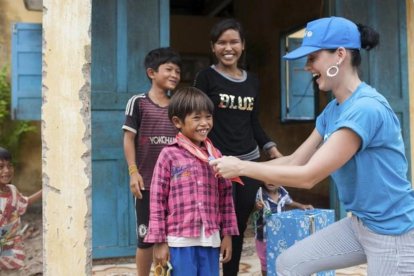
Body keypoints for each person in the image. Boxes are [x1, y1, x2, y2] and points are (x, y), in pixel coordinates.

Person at [210, 16, 414, 275]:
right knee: (289, 264)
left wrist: (241, 166)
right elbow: (296, 160)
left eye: (312, 57)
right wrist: (238, 167)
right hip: (361, 223)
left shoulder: (365, 108)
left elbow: (309, 176)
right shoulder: (333, 110)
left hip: (393, 233)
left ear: (340, 55)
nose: (307, 67)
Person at [193, 18, 283, 275]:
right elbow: (197, 117)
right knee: (213, 225)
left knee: (237, 226)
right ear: (213, 47)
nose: (228, 47)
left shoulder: (252, 81)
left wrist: (272, 149)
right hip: (216, 163)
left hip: (248, 163)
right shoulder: (206, 77)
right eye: (222, 42)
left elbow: (252, 120)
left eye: (234, 41)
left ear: (242, 45)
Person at [145, 87, 239, 276]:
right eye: (197, 118)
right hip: (180, 240)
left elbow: (226, 197)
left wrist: (227, 234)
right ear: (177, 122)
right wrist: (159, 241)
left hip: (210, 239)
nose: (204, 123)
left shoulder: (216, 155)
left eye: (208, 117)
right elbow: (157, 200)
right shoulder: (169, 155)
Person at [122, 47, 181, 276]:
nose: (175, 74)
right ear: (151, 73)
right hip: (145, 184)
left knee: (172, 237)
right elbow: (128, 138)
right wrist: (133, 172)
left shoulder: (179, 106)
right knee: (146, 238)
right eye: (169, 69)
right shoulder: (138, 102)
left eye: (177, 70)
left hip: (175, 185)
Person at [253, 183, 313, 276]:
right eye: (267, 177)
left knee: (281, 257)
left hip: (279, 233)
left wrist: (301, 206)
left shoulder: (282, 192)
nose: (270, 181)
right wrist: (258, 206)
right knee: (264, 260)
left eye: (274, 178)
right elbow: (257, 204)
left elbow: (290, 201)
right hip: (264, 234)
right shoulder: (261, 192)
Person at [0, 147, 42, 270]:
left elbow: (25, 202)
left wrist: (44, 190)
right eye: (1, 167)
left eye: (9, 166)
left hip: (13, 251)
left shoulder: (12, 191)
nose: (6, 170)